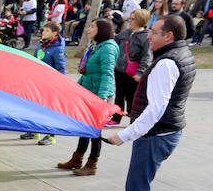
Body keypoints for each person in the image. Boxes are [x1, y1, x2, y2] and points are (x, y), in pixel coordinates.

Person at [98, 15, 196, 191]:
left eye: (154, 32)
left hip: (156, 136)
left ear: (169, 36)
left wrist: (124, 135)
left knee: (137, 189)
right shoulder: (181, 54)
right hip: (165, 132)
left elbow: (156, 109)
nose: (149, 36)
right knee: (136, 187)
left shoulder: (167, 63)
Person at [57, 18, 119, 176]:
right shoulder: (95, 46)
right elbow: (88, 73)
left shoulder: (108, 48)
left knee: (95, 131)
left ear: (102, 30)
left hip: (99, 95)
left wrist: (102, 98)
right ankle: (77, 159)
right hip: (90, 92)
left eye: (92, 27)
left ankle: (92, 164)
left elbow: (107, 74)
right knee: (85, 127)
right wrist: (76, 88)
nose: (88, 29)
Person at [21, 21, 67, 145]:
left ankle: (51, 136)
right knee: (35, 106)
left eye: (47, 30)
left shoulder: (57, 49)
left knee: (49, 110)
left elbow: (61, 69)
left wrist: (58, 85)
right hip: (38, 83)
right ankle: (34, 131)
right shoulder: (42, 46)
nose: (43, 32)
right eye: (43, 30)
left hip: (51, 85)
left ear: (55, 33)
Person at [110, 9, 152, 125]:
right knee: (119, 95)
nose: (130, 21)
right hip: (120, 70)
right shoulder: (125, 33)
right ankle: (116, 117)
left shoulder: (146, 37)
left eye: (133, 19)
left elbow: (147, 57)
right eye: (130, 18)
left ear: (140, 20)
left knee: (132, 98)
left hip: (133, 73)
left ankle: (134, 119)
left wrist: (140, 72)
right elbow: (115, 43)